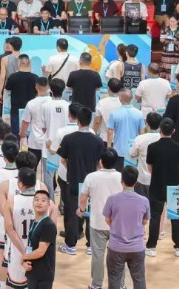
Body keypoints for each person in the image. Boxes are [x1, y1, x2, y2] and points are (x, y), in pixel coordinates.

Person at [57, 106, 106, 255]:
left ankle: (71, 245)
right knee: (91, 212)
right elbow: (99, 164)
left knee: (72, 212)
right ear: (90, 121)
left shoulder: (68, 139)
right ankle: (91, 245)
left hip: (73, 179)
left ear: (77, 120)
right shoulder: (98, 140)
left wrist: (71, 168)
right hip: (92, 182)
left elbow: (63, 160)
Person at [80, 148, 123, 289]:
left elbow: (83, 198)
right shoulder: (122, 177)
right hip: (118, 223)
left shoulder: (91, 177)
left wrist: (81, 210)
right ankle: (119, 285)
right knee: (118, 255)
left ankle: (96, 284)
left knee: (98, 255)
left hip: (97, 222)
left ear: (100, 162)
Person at [103, 166, 151, 288]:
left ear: (121, 180)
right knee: (139, 279)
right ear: (136, 181)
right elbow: (145, 221)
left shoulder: (112, 199)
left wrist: (117, 225)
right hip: (137, 247)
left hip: (116, 247)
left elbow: (107, 220)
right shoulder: (144, 201)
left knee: (114, 280)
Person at [145, 117, 179, 257]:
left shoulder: (152, 147)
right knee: (175, 217)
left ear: (160, 129)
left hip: (156, 185)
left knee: (155, 216)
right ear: (173, 131)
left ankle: (151, 247)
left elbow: (149, 168)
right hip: (174, 185)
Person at [22, 189, 57, 289]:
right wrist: (25, 262)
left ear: (48, 204)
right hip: (32, 272)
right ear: (33, 203)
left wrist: (23, 257)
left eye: (43, 200)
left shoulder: (48, 225)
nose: (39, 202)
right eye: (37, 199)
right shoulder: (34, 222)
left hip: (43, 275)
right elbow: (30, 245)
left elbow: (41, 251)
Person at [107, 88, 144, 170]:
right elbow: (141, 132)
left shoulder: (114, 113)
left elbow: (110, 131)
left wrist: (109, 147)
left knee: (119, 173)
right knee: (132, 174)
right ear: (131, 98)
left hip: (118, 149)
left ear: (120, 99)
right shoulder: (139, 114)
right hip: (133, 149)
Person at [129, 112, 162, 199]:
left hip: (142, 178)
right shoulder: (162, 139)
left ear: (147, 124)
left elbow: (132, 154)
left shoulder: (140, 138)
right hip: (159, 179)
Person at [5, 54, 38, 135]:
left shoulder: (13, 77)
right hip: (31, 109)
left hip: (16, 109)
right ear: (29, 63)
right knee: (30, 132)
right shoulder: (35, 78)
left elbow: (7, 89)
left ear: (19, 63)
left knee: (16, 132)